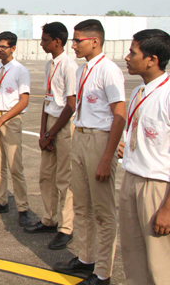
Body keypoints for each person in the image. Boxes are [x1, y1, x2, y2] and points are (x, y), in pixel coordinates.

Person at [53, 19, 126, 285]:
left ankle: (103, 272)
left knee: (103, 212)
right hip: (80, 137)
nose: (73, 45)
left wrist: (107, 157)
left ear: (95, 41)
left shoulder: (109, 70)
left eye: (78, 40)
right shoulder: (83, 70)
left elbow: (119, 113)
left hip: (99, 140)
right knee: (82, 206)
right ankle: (86, 259)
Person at [118, 29, 170, 284]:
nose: (127, 57)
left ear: (152, 59)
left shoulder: (167, 95)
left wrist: (168, 208)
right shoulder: (140, 90)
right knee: (133, 257)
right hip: (132, 178)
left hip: (157, 188)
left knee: (160, 263)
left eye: (133, 52)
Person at [24, 22, 77, 250]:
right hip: (51, 124)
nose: (42, 43)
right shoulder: (49, 65)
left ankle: (66, 228)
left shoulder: (69, 66)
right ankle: (49, 218)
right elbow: (47, 101)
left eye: (45, 40)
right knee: (46, 176)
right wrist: (43, 133)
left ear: (57, 41)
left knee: (64, 178)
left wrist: (52, 133)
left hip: (65, 125)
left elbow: (71, 105)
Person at [0, 31, 31, 227]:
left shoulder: (21, 71)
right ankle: (1, 201)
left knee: (14, 166)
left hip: (9, 119)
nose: (0, 50)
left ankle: (23, 208)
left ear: (13, 48)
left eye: (3, 47)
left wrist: (1, 119)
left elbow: (24, 101)